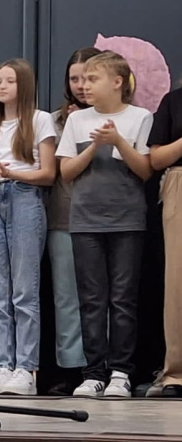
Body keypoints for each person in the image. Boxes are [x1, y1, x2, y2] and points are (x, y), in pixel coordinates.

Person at [57, 52, 153, 397]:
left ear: (117, 82)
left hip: (127, 220)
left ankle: (121, 372)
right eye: (82, 79)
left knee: (123, 300)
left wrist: (118, 142)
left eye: (93, 79)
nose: (85, 85)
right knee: (91, 299)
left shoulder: (140, 117)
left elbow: (145, 170)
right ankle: (93, 372)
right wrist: (94, 146)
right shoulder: (77, 120)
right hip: (85, 221)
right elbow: (66, 172)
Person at [0, 59, 57, 396]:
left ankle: (26, 367)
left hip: (25, 196)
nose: (2, 87)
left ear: (23, 84)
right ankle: (1, 364)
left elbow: (48, 174)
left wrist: (11, 173)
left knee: (24, 290)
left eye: (9, 81)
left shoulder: (39, 120)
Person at [46, 47, 101, 395]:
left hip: (106, 219)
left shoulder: (119, 116)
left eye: (88, 78)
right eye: (74, 78)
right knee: (67, 298)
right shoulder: (53, 120)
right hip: (64, 217)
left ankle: (106, 366)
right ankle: (72, 368)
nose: (80, 85)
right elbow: (51, 169)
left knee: (103, 297)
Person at [148, 81, 182, 398]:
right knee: (177, 282)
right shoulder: (173, 102)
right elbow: (156, 159)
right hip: (179, 182)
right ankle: (177, 373)